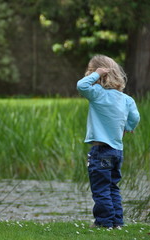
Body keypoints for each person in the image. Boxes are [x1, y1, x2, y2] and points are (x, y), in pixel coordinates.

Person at [76, 55, 140, 228]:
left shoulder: (97, 94)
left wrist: (96, 74)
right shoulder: (126, 99)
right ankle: (117, 221)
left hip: (101, 151)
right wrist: (128, 126)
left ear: (98, 74)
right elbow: (135, 117)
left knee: (101, 189)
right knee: (112, 187)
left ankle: (104, 223)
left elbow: (81, 85)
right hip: (117, 152)